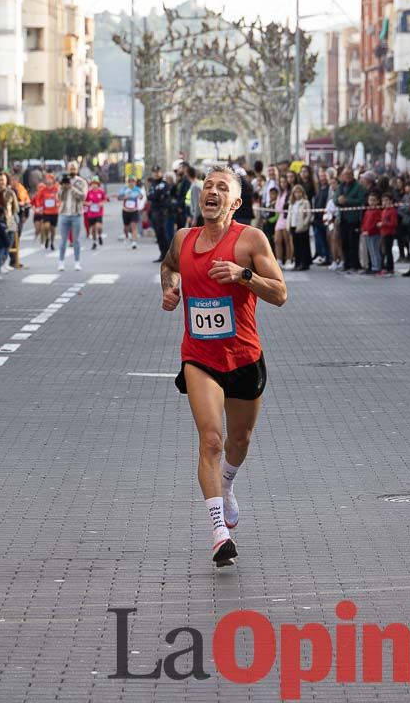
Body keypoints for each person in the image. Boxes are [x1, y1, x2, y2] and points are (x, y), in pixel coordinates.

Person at [160, 166, 287, 567]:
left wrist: (243, 275)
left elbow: (280, 293)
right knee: (211, 440)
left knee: (239, 439)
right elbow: (169, 266)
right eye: (207, 186)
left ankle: (228, 484)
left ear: (235, 202)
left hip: (244, 357)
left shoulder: (251, 239)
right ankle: (219, 534)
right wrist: (170, 287)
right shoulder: (184, 238)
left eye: (222, 188)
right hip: (200, 357)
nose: (211, 191)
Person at [57, 162, 89, 272]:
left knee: (76, 240)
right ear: (67, 169)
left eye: (74, 168)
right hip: (64, 213)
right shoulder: (63, 181)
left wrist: (71, 188)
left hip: (76, 214)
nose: (72, 170)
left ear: (77, 169)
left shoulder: (81, 181)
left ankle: (77, 262)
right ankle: (61, 262)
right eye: (70, 168)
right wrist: (63, 188)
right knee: (63, 240)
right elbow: (59, 197)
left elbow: (83, 196)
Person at [336, 168, 365, 272]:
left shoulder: (358, 186)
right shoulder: (341, 186)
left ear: (352, 175)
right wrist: (339, 201)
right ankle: (346, 263)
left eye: (349, 174)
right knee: (344, 242)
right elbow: (335, 198)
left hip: (353, 219)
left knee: (353, 242)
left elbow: (361, 200)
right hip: (343, 219)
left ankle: (355, 264)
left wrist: (347, 201)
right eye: (345, 174)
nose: (347, 176)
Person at [287, 184, 313, 271]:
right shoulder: (292, 204)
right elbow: (289, 215)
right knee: (296, 246)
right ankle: (297, 263)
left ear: (302, 193)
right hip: (293, 226)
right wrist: (289, 225)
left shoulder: (305, 202)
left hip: (302, 227)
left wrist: (304, 224)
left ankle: (304, 263)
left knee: (303, 246)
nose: (297, 194)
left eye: (299, 192)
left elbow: (308, 214)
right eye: (295, 193)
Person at [34, 174, 61, 251]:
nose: (48, 181)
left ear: (52, 180)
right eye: (47, 179)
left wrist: (59, 203)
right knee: (46, 226)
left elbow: (61, 197)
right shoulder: (43, 190)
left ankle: (52, 242)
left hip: (54, 212)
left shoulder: (56, 189)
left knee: (53, 229)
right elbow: (38, 198)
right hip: (46, 212)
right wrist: (39, 206)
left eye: (50, 179)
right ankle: (47, 238)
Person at [361, 191, 383, 277]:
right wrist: (363, 229)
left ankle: (377, 267)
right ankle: (373, 266)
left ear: (377, 201)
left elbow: (375, 224)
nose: (372, 202)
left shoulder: (377, 211)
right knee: (370, 251)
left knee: (375, 251)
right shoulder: (367, 211)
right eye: (370, 200)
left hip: (374, 234)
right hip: (367, 234)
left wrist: (369, 231)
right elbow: (364, 222)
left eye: (374, 200)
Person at [86, 179, 108, 250]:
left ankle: (100, 236)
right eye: (92, 184)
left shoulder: (101, 192)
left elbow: (105, 199)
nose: (94, 185)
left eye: (95, 184)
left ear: (98, 185)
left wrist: (102, 203)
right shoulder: (88, 192)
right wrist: (88, 203)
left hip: (99, 213)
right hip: (91, 214)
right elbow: (83, 201)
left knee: (99, 227)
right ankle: (94, 242)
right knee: (93, 229)